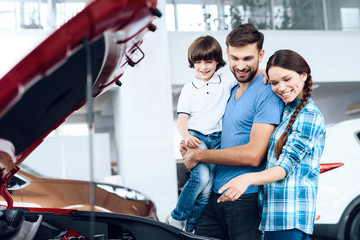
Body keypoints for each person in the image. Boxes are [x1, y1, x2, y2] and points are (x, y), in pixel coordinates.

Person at [180, 24, 284, 239]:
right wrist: (191, 148)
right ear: (226, 54)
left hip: (244, 197)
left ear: (261, 55)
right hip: (212, 194)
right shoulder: (229, 88)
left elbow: (254, 155)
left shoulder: (267, 92)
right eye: (235, 58)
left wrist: (199, 154)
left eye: (248, 58)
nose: (241, 65)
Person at [217, 49, 326, 240]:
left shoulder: (309, 114)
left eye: (287, 79)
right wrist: (263, 74)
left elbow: (284, 167)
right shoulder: (287, 109)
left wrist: (246, 179)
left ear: (303, 75)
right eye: (275, 82)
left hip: (290, 216)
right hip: (274, 216)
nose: (281, 87)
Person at [168, 35, 237, 232]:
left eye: (208, 61)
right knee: (201, 178)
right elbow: (182, 120)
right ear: (193, 63)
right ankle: (176, 217)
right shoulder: (189, 89)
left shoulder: (225, 80)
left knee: (207, 191)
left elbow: (247, 73)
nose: (203, 66)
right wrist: (186, 136)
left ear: (217, 61)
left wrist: (265, 74)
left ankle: (190, 227)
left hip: (218, 139)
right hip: (197, 137)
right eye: (198, 62)